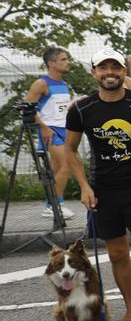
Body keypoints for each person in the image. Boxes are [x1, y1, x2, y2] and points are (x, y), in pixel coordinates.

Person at [64, 49, 131, 321]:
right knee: (117, 254)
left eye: (115, 67)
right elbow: (69, 149)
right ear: (94, 73)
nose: (109, 73)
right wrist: (83, 185)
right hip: (103, 190)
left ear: (123, 72)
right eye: (103, 67)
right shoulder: (81, 109)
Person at [25, 46, 76, 219]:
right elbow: (27, 108)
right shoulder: (41, 83)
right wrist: (44, 128)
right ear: (51, 63)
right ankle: (57, 204)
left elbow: (59, 110)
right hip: (50, 131)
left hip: (64, 129)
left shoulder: (63, 83)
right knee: (67, 165)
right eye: (63, 59)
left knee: (55, 170)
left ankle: (49, 205)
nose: (67, 62)